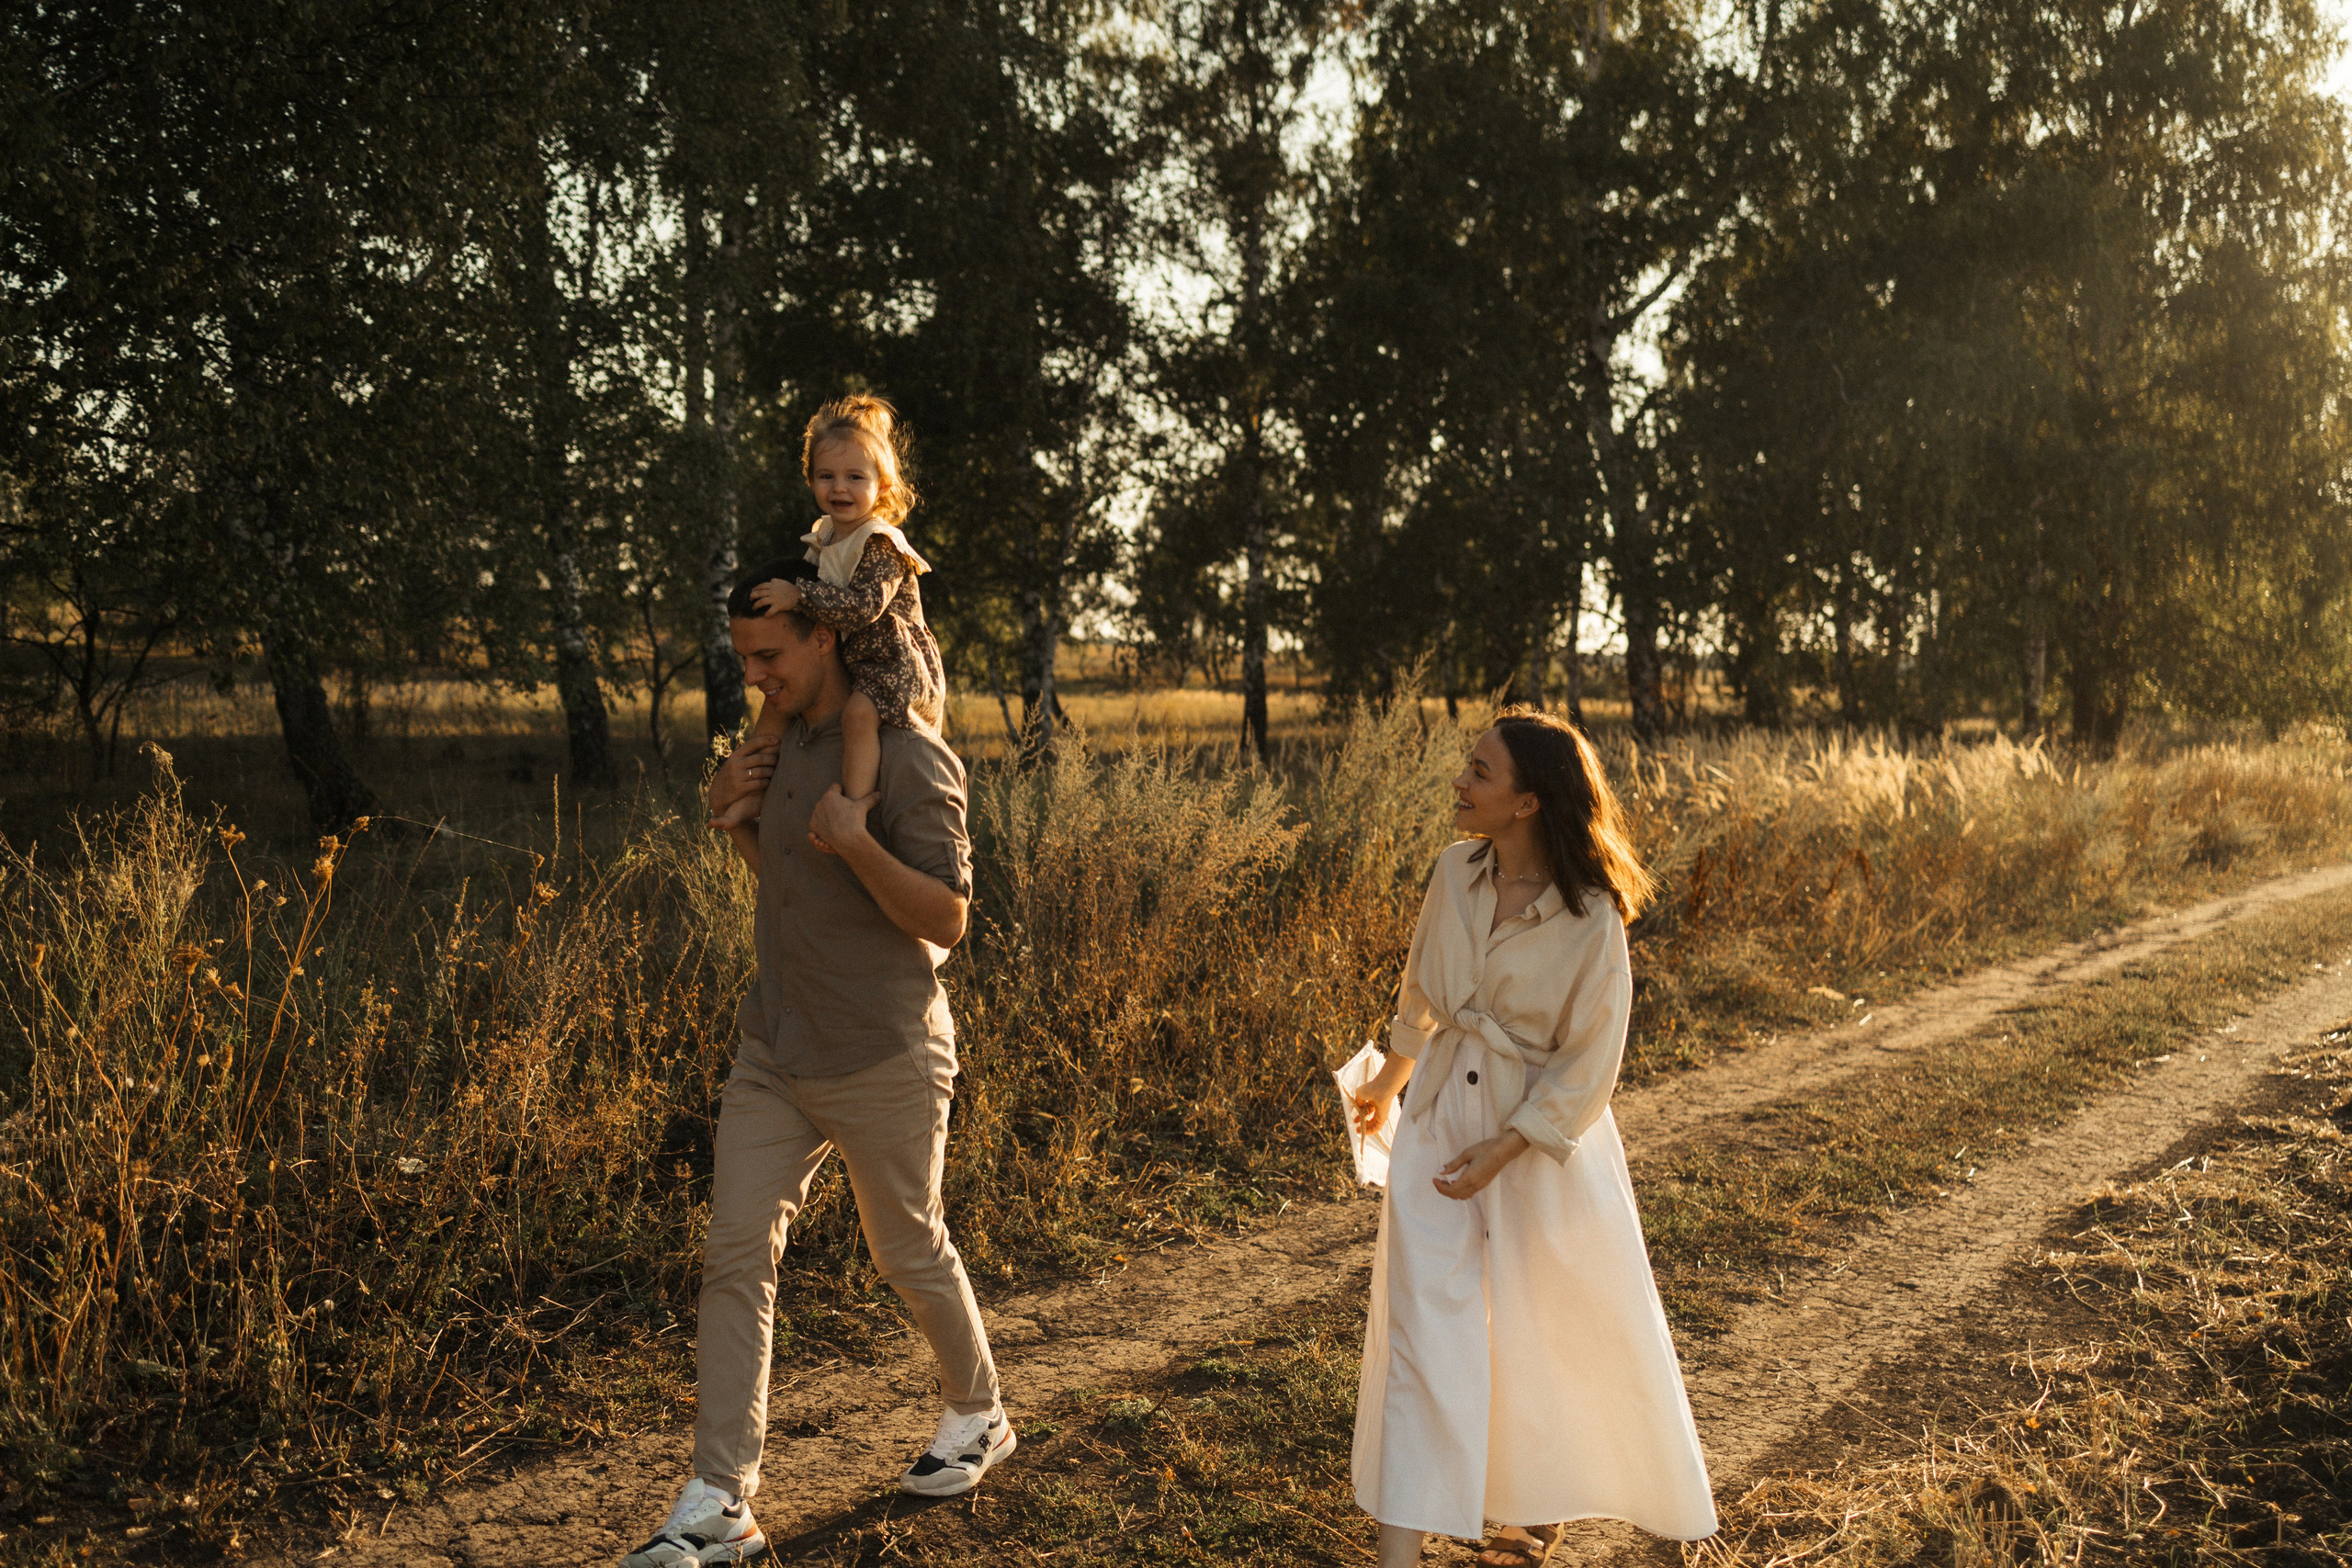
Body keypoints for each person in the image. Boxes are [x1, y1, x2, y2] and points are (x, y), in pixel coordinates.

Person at [622, 559, 1008, 1568]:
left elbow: (948, 918)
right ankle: (722, 1499)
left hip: (883, 1050)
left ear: (825, 636)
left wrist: (859, 841)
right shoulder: (780, 747)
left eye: (769, 655)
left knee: (907, 1249)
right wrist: (734, 816)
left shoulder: (910, 757)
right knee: (735, 1257)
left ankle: (978, 1411)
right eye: (744, 658)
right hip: (776, 1047)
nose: (754, 676)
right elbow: (788, 884)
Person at [1346, 709, 1717, 1568]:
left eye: (1480, 770)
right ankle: (1399, 1553)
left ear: (1527, 801)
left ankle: (1527, 1507)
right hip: (1439, 1121)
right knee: (1422, 1331)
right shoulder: (1453, 870)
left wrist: (1508, 1146)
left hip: (1537, 1141)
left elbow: (1591, 1060)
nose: (1460, 780)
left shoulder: (1593, 917)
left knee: (1538, 1321)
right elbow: (1420, 994)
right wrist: (1387, 1085)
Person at [708, 394, 945, 837]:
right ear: (811, 481)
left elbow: (863, 607)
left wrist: (798, 596)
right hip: (852, 657)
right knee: (777, 708)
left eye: (855, 477)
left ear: (882, 487)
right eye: (826, 476)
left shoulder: (881, 543)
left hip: (891, 665)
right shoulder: (825, 538)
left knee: (858, 717)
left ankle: (851, 812)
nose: (839, 488)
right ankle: (754, 787)